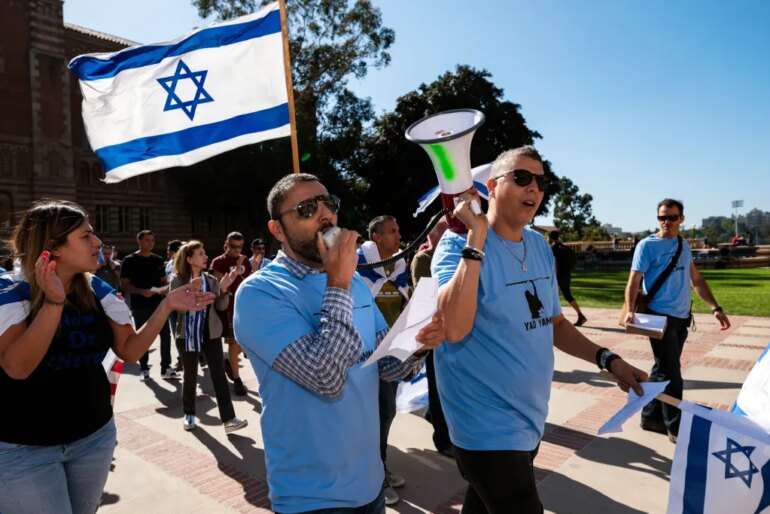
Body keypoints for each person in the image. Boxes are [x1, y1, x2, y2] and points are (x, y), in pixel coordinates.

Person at [434, 146, 647, 513]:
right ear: (492, 186)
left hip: (529, 417)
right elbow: (452, 328)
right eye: (521, 178)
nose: (533, 187)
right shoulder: (457, 246)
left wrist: (608, 360)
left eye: (541, 181)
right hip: (483, 426)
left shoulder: (537, 245)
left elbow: (556, 324)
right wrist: (477, 238)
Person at [234, 173, 445, 513]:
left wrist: (419, 342)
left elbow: (386, 365)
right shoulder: (260, 293)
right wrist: (338, 281)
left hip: (370, 484)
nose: (325, 215)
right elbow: (326, 380)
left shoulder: (355, 283)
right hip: (311, 497)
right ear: (277, 230)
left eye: (328, 203)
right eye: (306, 208)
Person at [0, 200, 214, 514]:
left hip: (93, 439)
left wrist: (166, 305)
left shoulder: (97, 290)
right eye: (86, 236)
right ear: (52, 247)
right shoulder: (10, 292)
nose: (98, 242)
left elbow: (130, 350)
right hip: (23, 449)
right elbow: (17, 367)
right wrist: (54, 303)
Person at [624, 198, 731, 443]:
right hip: (657, 317)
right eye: (662, 217)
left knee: (662, 369)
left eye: (672, 217)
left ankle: (650, 416)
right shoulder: (646, 246)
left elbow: (696, 281)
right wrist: (630, 309)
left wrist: (716, 308)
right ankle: (675, 426)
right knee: (672, 372)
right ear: (657, 219)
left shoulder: (684, 246)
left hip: (681, 318)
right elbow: (634, 280)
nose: (667, 222)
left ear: (681, 219)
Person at [357, 215, 411, 505]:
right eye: (392, 231)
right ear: (376, 237)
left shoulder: (399, 265)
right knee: (374, 417)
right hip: (362, 355)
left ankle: (379, 468)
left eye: (398, 229)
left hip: (389, 352)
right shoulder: (357, 264)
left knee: (385, 413)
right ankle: (374, 478)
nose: (398, 235)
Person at [170, 241, 248, 434]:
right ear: (189, 259)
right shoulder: (178, 280)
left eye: (205, 253)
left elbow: (220, 307)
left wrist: (223, 289)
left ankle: (229, 419)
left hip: (210, 332)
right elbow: (176, 306)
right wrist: (192, 290)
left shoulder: (211, 280)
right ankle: (189, 414)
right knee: (190, 374)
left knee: (219, 375)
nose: (205, 256)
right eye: (201, 253)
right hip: (187, 333)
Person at [410, 216, 452, 458]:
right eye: (444, 234)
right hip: (434, 333)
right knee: (437, 389)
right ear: (432, 236)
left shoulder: (454, 255)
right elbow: (426, 295)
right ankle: (443, 439)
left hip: (456, 332)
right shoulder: (423, 259)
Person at [120, 230, 178, 381]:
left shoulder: (158, 260)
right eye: (147, 240)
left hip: (159, 305)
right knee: (142, 337)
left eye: (152, 240)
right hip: (140, 306)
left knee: (165, 336)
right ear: (138, 241)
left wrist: (167, 289)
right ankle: (144, 368)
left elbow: (164, 282)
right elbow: (124, 284)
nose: (150, 243)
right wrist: (140, 291)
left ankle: (166, 367)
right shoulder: (129, 260)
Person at [210, 232, 252, 395]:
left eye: (240, 247)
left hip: (246, 308)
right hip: (229, 308)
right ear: (226, 244)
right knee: (233, 344)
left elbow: (250, 281)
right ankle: (237, 380)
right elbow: (221, 286)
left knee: (247, 342)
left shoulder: (245, 261)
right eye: (233, 247)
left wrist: (249, 268)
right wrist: (237, 269)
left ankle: (229, 360)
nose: (237, 250)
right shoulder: (218, 262)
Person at [548, 230, 587, 326]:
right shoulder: (564, 247)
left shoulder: (554, 248)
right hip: (566, 275)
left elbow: (555, 264)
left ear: (550, 238)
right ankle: (580, 315)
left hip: (558, 276)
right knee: (566, 296)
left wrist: (555, 279)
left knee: (552, 296)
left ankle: (554, 319)